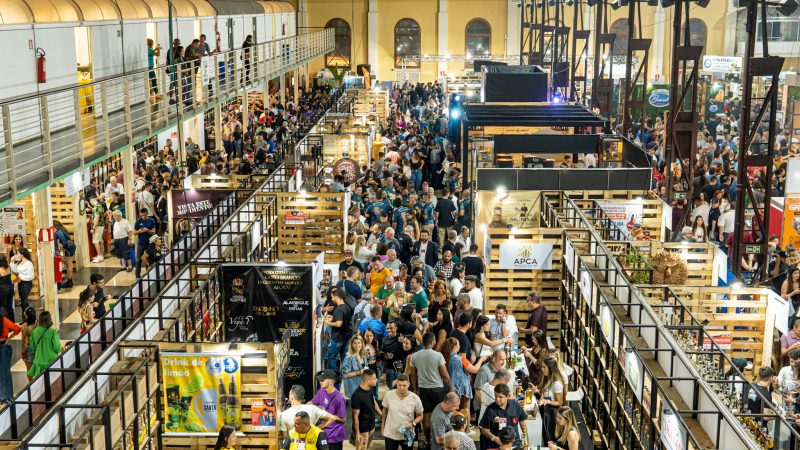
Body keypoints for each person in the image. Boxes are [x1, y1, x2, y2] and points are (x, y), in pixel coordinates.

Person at [441, 337, 482, 428]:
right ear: (455, 347)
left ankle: (452, 427)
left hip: (449, 387)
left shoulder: (443, 357)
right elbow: (474, 370)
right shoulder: (460, 359)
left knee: (450, 410)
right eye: (459, 344)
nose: (460, 346)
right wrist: (481, 360)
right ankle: (466, 429)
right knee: (465, 408)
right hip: (463, 386)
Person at [381, 374, 424, 450]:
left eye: (404, 385)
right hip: (390, 434)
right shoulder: (389, 395)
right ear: (396, 384)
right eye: (399, 385)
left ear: (408, 384)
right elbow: (385, 412)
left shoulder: (415, 398)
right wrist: (382, 427)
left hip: (407, 435)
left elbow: (420, 416)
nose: (401, 388)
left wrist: (413, 423)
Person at [478, 383, 527, 450]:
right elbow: (484, 429)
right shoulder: (490, 409)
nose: (497, 399)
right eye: (495, 396)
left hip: (515, 444)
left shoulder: (516, 406)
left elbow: (523, 423)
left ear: (508, 396)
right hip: (498, 445)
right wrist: (494, 438)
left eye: (500, 397)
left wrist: (526, 439)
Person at [311, 370, 346, 450]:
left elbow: (343, 419)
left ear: (330, 382)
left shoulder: (339, 398)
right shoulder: (321, 391)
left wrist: (327, 415)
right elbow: (312, 402)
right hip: (322, 434)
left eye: (322, 380)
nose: (320, 382)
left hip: (334, 436)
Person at [533, 357, 565, 444]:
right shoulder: (547, 379)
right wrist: (541, 399)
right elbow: (545, 394)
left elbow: (560, 402)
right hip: (547, 412)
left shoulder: (557, 383)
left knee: (551, 438)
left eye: (544, 367)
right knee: (545, 436)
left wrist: (548, 402)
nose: (542, 369)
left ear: (550, 368)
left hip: (553, 414)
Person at [351, 368, 382, 450]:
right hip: (363, 427)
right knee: (361, 448)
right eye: (374, 378)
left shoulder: (370, 389)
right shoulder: (357, 395)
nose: (376, 380)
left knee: (366, 447)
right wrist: (357, 433)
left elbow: (373, 402)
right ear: (367, 380)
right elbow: (355, 416)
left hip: (371, 424)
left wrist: (381, 415)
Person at [27, 311, 61, 379]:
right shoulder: (52, 332)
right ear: (49, 320)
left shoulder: (35, 331)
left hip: (38, 361)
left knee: (41, 384)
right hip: (51, 361)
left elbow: (32, 345)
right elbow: (57, 348)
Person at [324, 288, 352, 371]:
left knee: (331, 357)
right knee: (344, 357)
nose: (332, 299)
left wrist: (328, 322)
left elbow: (339, 324)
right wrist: (332, 318)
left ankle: (333, 376)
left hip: (337, 338)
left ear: (336, 297)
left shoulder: (339, 309)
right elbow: (343, 320)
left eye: (333, 297)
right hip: (345, 337)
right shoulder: (347, 307)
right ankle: (345, 374)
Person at [0, 309, 21, 403]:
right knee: (6, 372)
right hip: (5, 347)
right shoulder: (4, 320)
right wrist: (10, 337)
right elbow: (17, 329)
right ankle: (8, 396)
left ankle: (2, 397)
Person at [134, 208, 157, 277]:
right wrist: (139, 231)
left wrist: (147, 230)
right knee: (138, 260)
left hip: (150, 243)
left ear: (147, 214)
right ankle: (137, 275)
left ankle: (149, 274)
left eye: (144, 215)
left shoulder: (151, 221)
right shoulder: (138, 221)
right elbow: (134, 232)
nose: (143, 217)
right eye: (141, 215)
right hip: (141, 243)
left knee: (150, 259)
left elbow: (153, 232)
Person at [10, 248, 34, 314]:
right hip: (20, 283)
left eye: (18, 254)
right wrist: (12, 262)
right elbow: (15, 270)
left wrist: (20, 277)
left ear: (22, 255)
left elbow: (31, 276)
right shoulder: (19, 262)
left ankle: (27, 317)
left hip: (27, 284)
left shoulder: (28, 264)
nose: (16, 255)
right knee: (24, 301)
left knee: (23, 301)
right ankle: (27, 317)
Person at [54, 221, 76, 288]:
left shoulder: (58, 233)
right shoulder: (63, 229)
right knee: (69, 264)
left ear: (55, 226)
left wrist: (60, 247)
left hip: (68, 248)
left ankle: (69, 282)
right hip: (72, 246)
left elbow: (63, 244)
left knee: (69, 265)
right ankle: (69, 280)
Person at [19, 306, 36, 371]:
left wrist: (23, 354)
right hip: (39, 346)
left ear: (26, 316)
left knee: (30, 370)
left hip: (30, 348)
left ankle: (32, 381)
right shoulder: (39, 322)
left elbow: (24, 341)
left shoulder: (25, 326)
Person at [89, 197, 106, 262]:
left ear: (91, 202)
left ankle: (99, 256)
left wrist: (93, 228)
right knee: (100, 241)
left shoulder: (96, 208)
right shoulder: (100, 206)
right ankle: (101, 255)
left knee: (95, 241)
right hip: (101, 225)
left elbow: (96, 218)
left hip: (98, 226)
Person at [0, 257, 13, 322]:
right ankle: (12, 323)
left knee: (4, 308)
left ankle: (7, 325)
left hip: (3, 290)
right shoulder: (9, 267)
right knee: (10, 307)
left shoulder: (0, 269)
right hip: (10, 288)